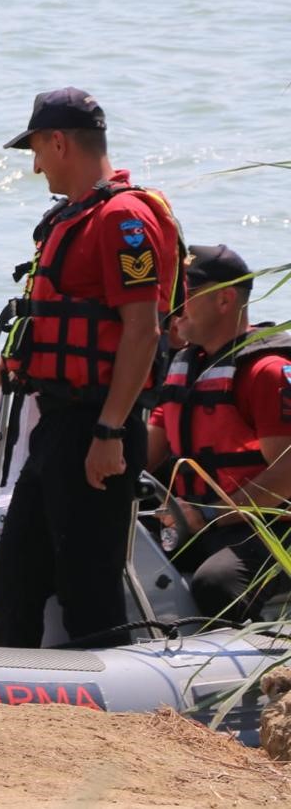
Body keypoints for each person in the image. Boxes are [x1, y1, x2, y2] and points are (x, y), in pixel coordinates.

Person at [0, 87, 183, 648]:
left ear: (59, 141)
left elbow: (141, 330)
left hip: (97, 426)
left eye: (37, 150)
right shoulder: (74, 216)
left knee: (87, 585)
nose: (35, 164)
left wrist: (110, 430)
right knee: (15, 570)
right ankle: (0, 709)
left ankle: (104, 725)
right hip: (58, 424)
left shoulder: (123, 219)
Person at [147, 244, 291, 622]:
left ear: (225, 300)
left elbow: (287, 476)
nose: (174, 306)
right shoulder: (182, 368)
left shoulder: (267, 372)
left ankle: (262, 671)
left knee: (216, 583)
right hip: (195, 520)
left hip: (269, 528)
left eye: (185, 296)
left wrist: (210, 515)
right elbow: (146, 453)